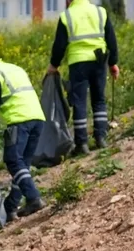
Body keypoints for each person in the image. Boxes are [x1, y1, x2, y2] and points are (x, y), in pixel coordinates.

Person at [0, 55, 47, 221]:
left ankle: (33, 198)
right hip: (38, 118)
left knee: (13, 160)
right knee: (22, 164)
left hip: (19, 121)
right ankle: (11, 207)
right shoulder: (14, 68)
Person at [47, 0, 120, 156]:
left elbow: (59, 45)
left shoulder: (67, 16)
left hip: (78, 62)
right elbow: (111, 40)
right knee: (99, 99)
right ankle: (101, 137)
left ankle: (82, 143)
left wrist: (54, 65)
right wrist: (113, 63)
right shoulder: (100, 12)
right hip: (99, 60)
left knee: (79, 101)